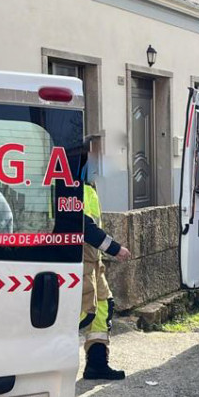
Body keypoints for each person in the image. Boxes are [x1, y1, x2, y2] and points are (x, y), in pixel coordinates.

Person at [80, 149, 132, 380]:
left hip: (92, 264)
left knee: (102, 308)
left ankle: (97, 364)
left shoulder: (87, 189)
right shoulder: (74, 191)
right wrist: (115, 248)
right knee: (78, 314)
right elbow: (84, 226)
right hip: (79, 264)